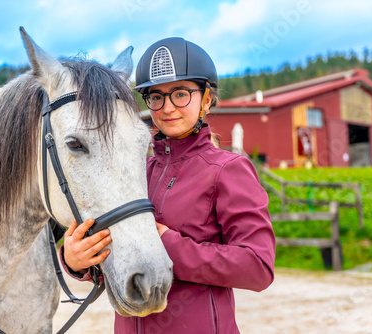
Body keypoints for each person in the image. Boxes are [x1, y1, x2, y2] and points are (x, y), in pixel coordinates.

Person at [60, 37, 276, 333]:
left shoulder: (228, 170)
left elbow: (257, 267)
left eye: (181, 94)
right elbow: (114, 256)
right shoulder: (136, 171)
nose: (167, 107)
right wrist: (76, 261)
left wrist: (170, 243)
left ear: (207, 99)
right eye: (156, 97)